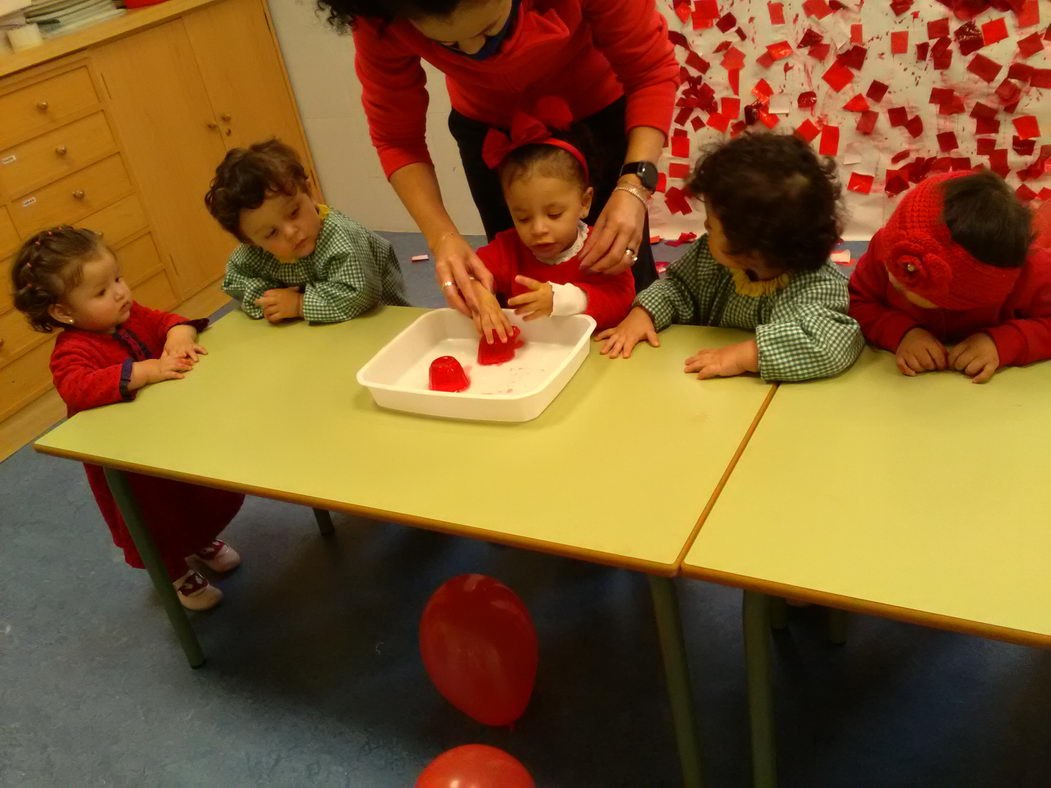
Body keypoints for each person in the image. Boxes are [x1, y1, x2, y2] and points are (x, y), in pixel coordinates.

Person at [318, 0, 679, 318]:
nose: (477, 51)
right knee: (518, 271)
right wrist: (442, 237)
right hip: (490, 131)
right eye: (448, 44)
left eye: (490, 29)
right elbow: (396, 137)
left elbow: (650, 71)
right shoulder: (380, 15)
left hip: (599, 110)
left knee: (623, 263)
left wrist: (634, 186)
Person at [10, 227, 244, 610]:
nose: (119, 292)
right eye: (101, 292)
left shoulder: (131, 316)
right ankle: (174, 572)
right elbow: (76, 386)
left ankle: (200, 539)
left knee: (194, 495)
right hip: (129, 461)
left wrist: (179, 336)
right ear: (63, 312)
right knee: (158, 519)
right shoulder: (73, 349)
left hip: (171, 437)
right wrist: (146, 371)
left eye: (117, 278)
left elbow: (169, 320)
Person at [597, 132, 863, 382]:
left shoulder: (818, 286)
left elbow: (832, 343)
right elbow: (678, 287)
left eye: (711, 227)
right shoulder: (711, 258)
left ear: (751, 249)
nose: (705, 230)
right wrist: (645, 312)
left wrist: (748, 356)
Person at [848, 170, 1051, 383]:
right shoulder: (890, 245)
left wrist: (1005, 342)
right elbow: (859, 299)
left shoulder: (1033, 271)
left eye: (909, 281)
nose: (892, 272)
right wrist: (901, 333)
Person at [467, 103, 635, 340]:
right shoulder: (508, 248)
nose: (538, 229)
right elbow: (469, 272)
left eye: (554, 214)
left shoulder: (599, 247)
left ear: (585, 202)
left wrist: (565, 299)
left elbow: (622, 299)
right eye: (522, 217)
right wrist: (479, 293)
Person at [205, 138, 408, 324]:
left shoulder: (341, 237)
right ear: (250, 241)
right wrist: (269, 298)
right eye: (271, 233)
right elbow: (235, 277)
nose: (291, 232)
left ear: (310, 193)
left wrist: (299, 304)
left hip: (380, 324)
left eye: (294, 212)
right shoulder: (253, 252)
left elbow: (359, 297)